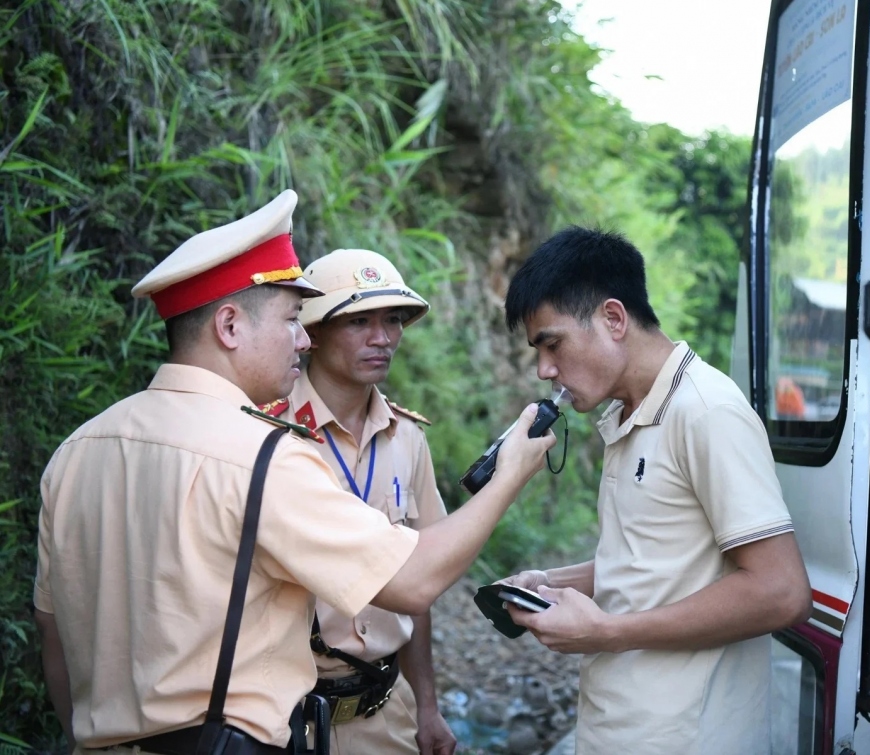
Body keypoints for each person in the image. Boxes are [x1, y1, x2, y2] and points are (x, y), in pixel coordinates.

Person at [33, 190, 554, 753]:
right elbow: (413, 582)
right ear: (230, 326)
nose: (302, 339)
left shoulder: (76, 450)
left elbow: (53, 632)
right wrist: (510, 476)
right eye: (290, 319)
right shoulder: (263, 454)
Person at [499, 226, 813, 754]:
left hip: (687, 737)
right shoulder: (630, 413)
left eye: (552, 344)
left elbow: (781, 592)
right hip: (621, 729)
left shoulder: (707, 412)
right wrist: (549, 581)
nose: (544, 370)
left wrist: (607, 633)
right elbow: (654, 566)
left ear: (613, 319)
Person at [262, 248, 454, 753]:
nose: (383, 338)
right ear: (314, 332)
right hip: (283, 721)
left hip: (387, 713)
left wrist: (428, 708)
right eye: (359, 321)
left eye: (393, 320)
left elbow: (421, 580)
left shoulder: (408, 438)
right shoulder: (266, 433)